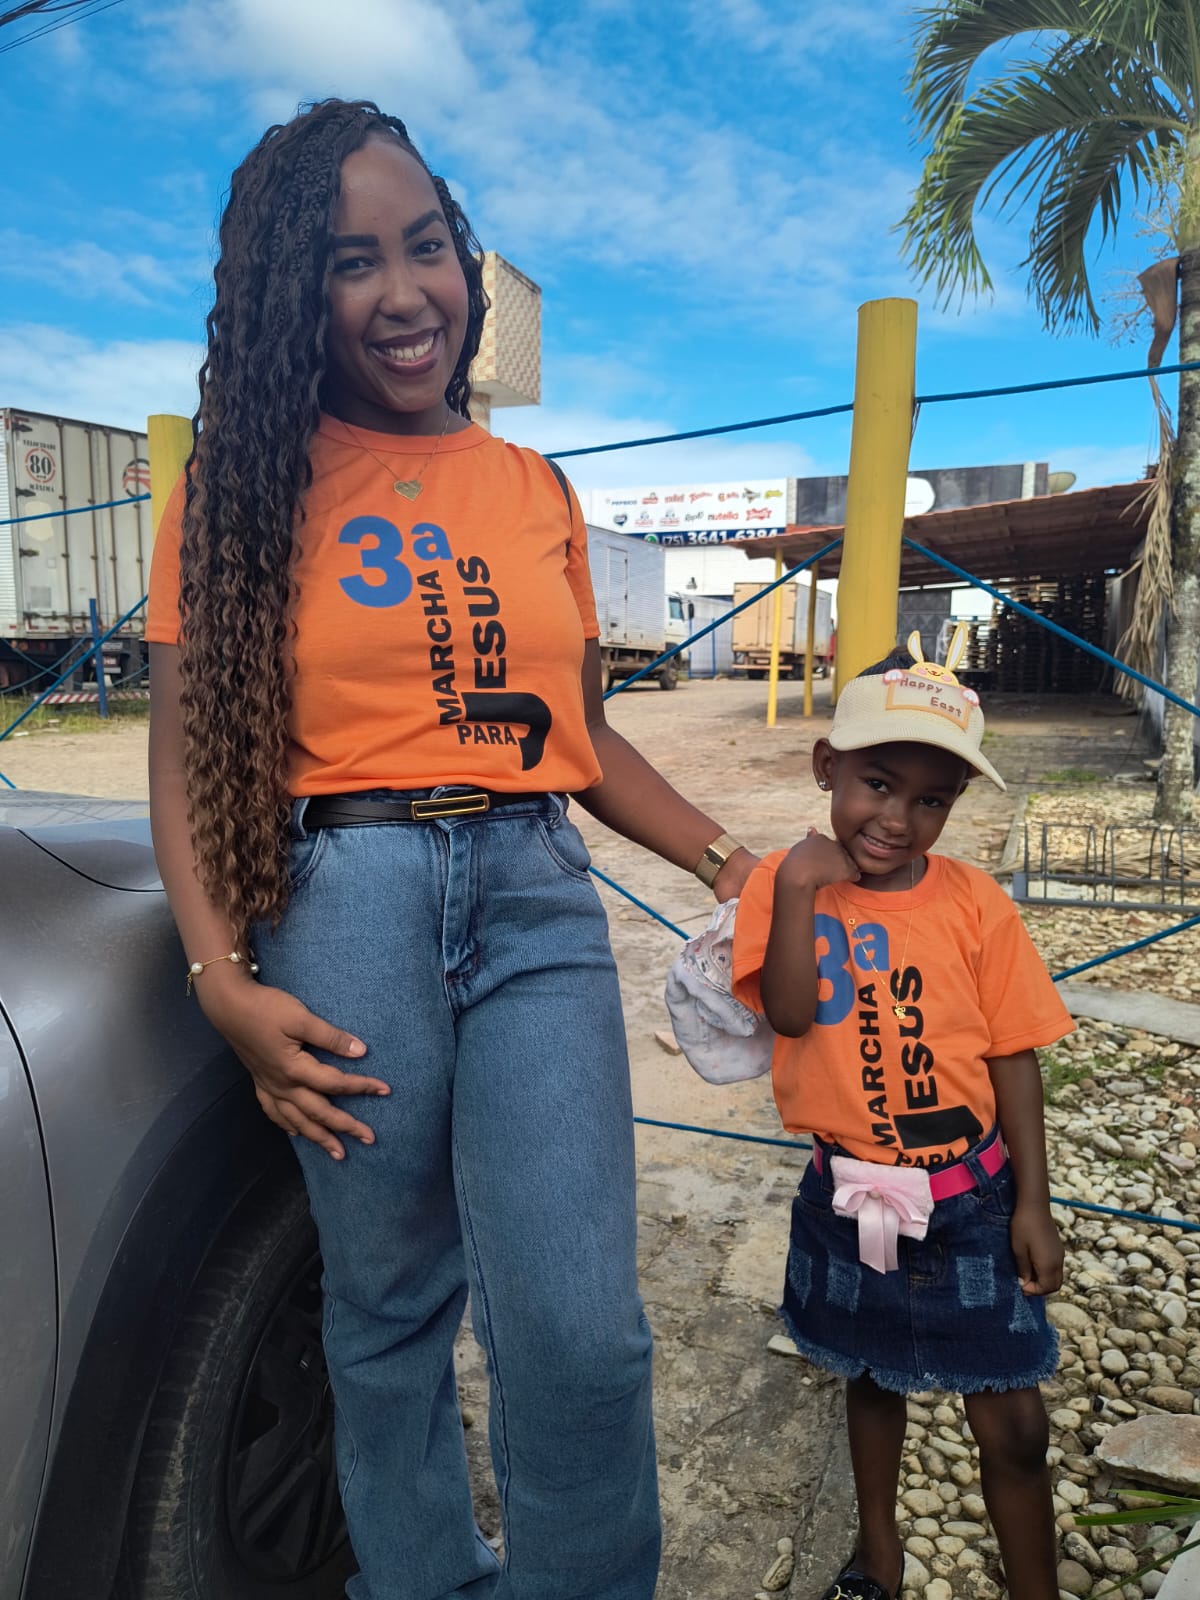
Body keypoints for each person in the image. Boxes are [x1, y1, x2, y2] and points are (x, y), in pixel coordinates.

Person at [145, 98, 756, 1600]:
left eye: (427, 245)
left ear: (465, 262)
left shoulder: (532, 488)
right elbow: (180, 752)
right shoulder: (238, 492)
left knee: (579, 1330)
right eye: (355, 262)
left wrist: (734, 861)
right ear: (300, 292)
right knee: (391, 1308)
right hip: (343, 904)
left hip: (536, 901)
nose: (405, 292)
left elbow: (579, 735)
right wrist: (221, 973)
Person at [730, 632, 1073, 1600]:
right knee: (872, 1378)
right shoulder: (784, 886)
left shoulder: (973, 904)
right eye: (879, 784)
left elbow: (1013, 1050)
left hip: (969, 1201)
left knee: (1015, 1422)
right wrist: (798, 883)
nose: (899, 818)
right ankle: (876, 1555)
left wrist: (1031, 1205)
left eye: (933, 799)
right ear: (827, 767)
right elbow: (790, 1012)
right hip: (846, 1194)